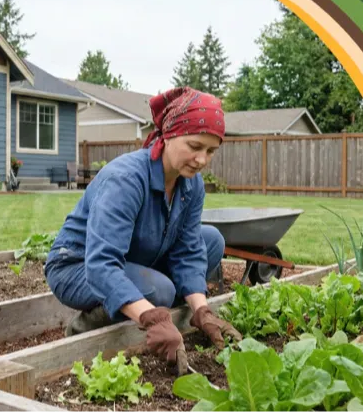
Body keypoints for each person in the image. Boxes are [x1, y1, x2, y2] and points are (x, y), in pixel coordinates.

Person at [44, 86, 242, 373]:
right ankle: (84, 329)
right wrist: (152, 318)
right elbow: (100, 263)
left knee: (211, 240)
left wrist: (201, 311)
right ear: (170, 135)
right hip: (77, 265)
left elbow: (188, 250)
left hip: (130, 259)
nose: (202, 160)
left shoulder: (191, 184)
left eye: (211, 151)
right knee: (159, 290)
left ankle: (145, 302)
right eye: (195, 146)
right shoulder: (126, 179)